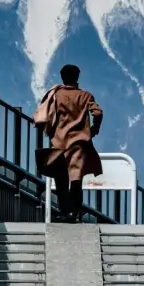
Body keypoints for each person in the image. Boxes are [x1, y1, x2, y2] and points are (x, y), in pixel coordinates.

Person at [32, 64, 103, 223]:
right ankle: (74, 212)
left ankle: (64, 211)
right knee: (76, 179)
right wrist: (94, 129)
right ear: (77, 77)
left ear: (62, 77)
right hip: (79, 143)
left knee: (61, 178)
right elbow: (98, 112)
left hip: (59, 142)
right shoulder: (85, 96)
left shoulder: (56, 95)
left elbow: (44, 116)